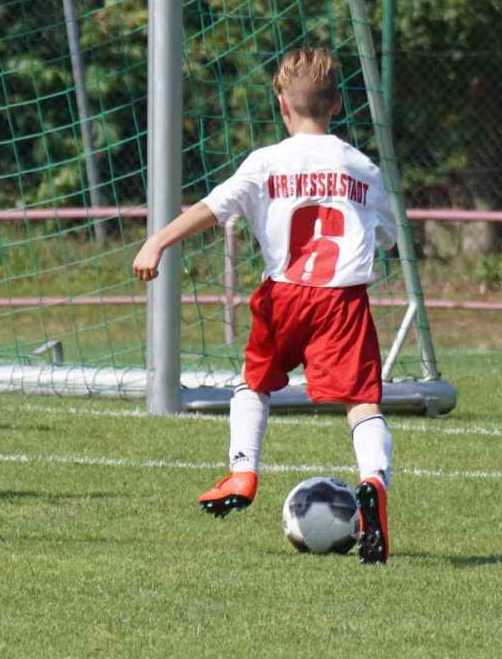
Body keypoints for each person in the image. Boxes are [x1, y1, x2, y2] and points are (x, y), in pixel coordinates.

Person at [133, 47, 397, 565]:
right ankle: (373, 482)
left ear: (281, 104)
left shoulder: (266, 162)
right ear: (337, 103)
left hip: (283, 295)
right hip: (342, 299)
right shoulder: (361, 168)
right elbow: (386, 237)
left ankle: (242, 471)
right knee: (362, 403)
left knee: (254, 384)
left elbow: (212, 208)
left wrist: (158, 241)